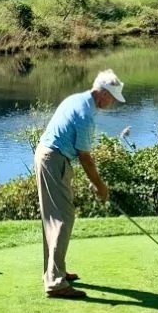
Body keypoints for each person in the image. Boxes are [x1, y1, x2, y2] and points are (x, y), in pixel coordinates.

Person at [35, 69, 126, 299]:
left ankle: (55, 270)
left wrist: (95, 182)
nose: (113, 103)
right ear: (103, 94)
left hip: (48, 156)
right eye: (112, 98)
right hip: (54, 159)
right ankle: (55, 282)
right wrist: (101, 186)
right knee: (63, 217)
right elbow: (85, 158)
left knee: (53, 216)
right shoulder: (85, 115)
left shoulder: (76, 98)